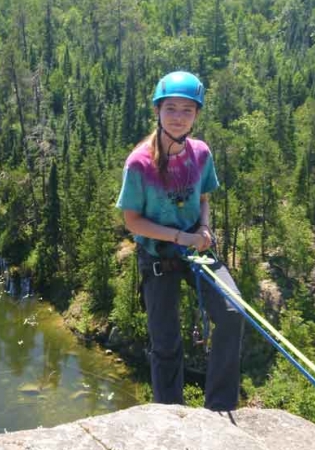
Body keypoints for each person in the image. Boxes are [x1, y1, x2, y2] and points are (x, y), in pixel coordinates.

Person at [115, 71, 245, 411]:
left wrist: (203, 228)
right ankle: (170, 415)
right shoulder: (139, 164)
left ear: (197, 115)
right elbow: (133, 221)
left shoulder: (200, 153)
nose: (178, 117)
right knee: (166, 344)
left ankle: (219, 407)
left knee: (233, 313)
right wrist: (179, 235)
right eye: (170, 108)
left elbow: (203, 197)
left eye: (187, 110)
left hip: (194, 248)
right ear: (157, 111)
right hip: (158, 256)